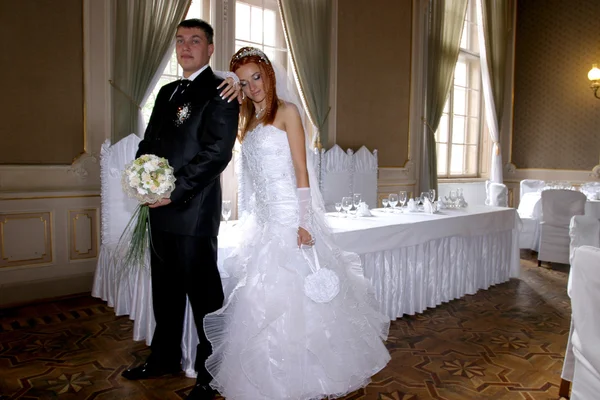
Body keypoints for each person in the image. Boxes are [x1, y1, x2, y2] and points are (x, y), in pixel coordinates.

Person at [203, 47, 391, 400]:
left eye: (256, 77)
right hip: (266, 220)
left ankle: (312, 376)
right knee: (261, 299)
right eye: (244, 82)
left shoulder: (287, 112)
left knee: (302, 297)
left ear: (269, 74)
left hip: (291, 216)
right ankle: (267, 379)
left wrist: (304, 221)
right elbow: (253, 179)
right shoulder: (249, 122)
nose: (253, 86)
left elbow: (303, 172)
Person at [121, 19, 240, 400]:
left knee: (204, 297)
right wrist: (143, 177)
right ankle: (164, 358)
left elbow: (217, 154)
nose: (186, 47)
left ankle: (211, 373)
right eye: (180, 41)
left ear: (209, 49)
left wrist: (173, 191)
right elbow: (150, 141)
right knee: (165, 292)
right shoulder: (167, 91)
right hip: (158, 209)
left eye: (195, 40)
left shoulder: (221, 90)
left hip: (193, 210)